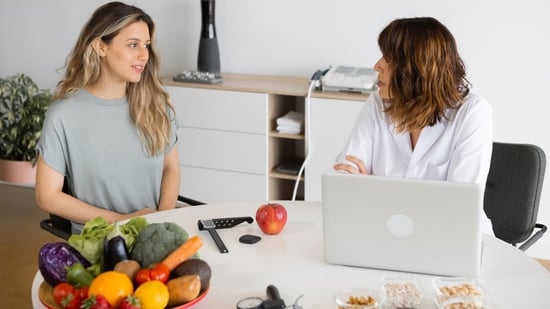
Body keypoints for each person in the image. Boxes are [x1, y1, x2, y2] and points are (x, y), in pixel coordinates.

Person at [333, 17, 493, 233]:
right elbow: (344, 179)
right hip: (384, 231)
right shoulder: (377, 103)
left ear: (415, 69)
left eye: (388, 58)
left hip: (454, 237)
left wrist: (373, 190)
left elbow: (458, 207)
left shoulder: (472, 113)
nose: (377, 66)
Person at [35, 2, 180, 233]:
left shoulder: (155, 104)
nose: (144, 55)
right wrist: (121, 220)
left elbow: (170, 167)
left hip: (154, 234)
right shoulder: (63, 116)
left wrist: (162, 220)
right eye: (133, 45)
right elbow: (47, 196)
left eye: (146, 45)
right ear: (100, 47)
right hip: (98, 243)